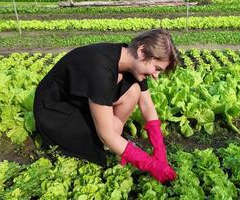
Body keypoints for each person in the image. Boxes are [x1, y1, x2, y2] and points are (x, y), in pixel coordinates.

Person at [33, 29, 178, 183]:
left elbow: (147, 105)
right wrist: (150, 164)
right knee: (104, 138)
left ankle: (113, 145)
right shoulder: (100, 69)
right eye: (157, 69)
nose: (156, 76)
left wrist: (160, 153)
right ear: (142, 52)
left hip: (77, 101)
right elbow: (106, 134)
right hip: (56, 114)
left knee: (133, 90)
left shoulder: (128, 57)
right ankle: (106, 145)